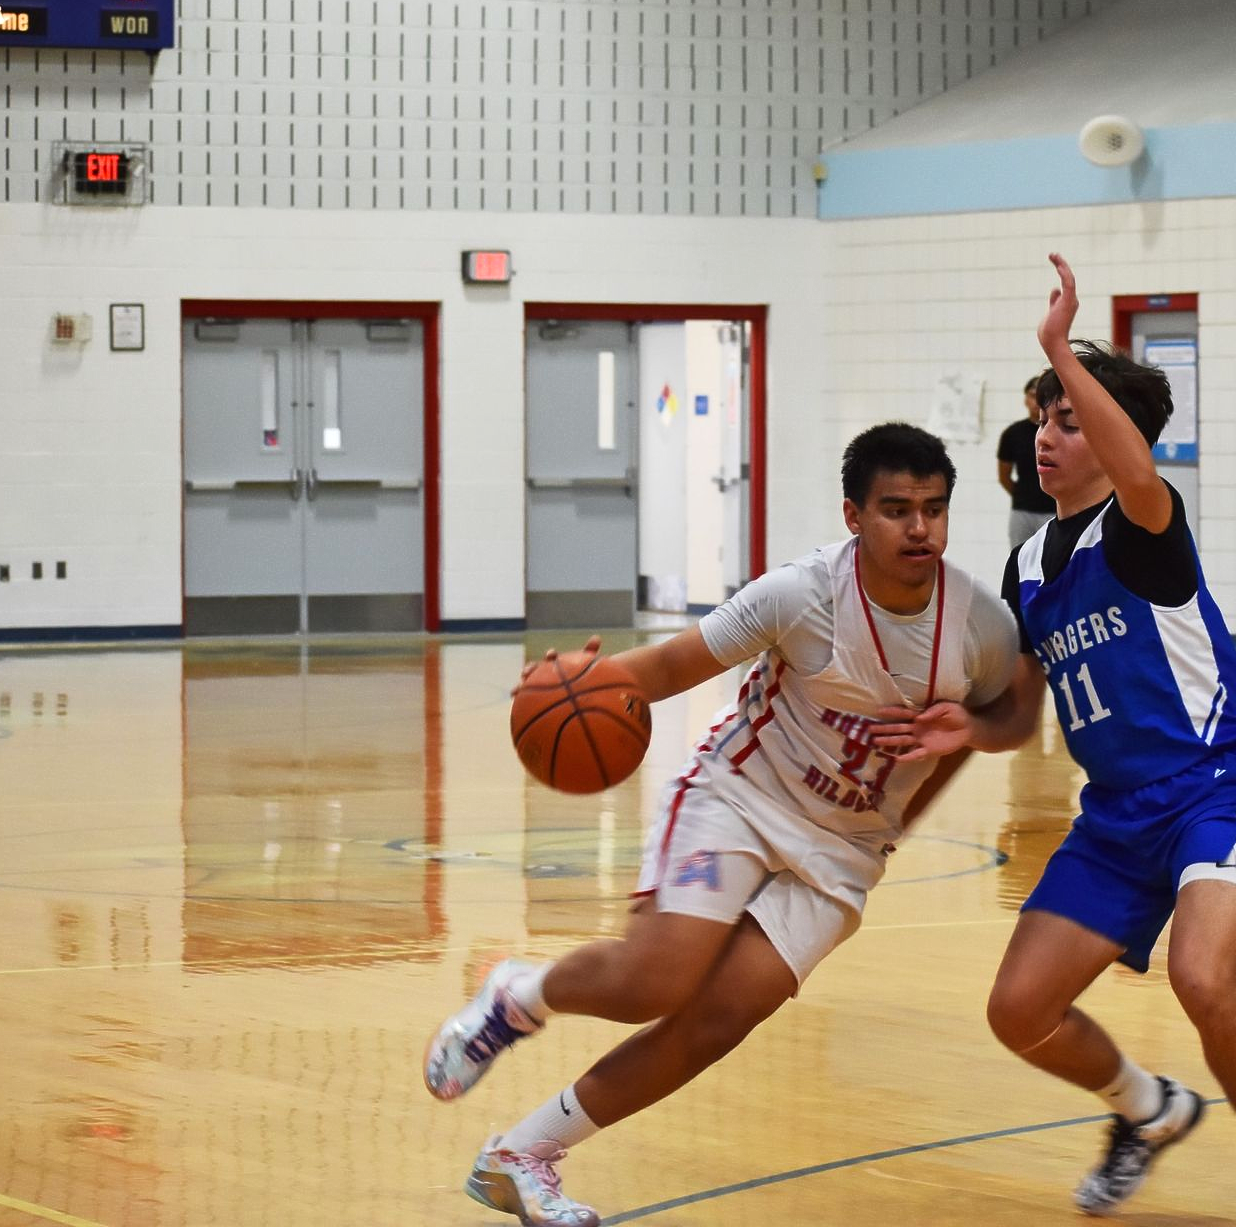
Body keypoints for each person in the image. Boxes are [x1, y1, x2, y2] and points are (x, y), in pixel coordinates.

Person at [421, 423, 1023, 1227]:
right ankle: (517, 997)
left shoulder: (978, 622)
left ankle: (521, 1157)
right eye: (896, 509)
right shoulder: (800, 595)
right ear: (853, 515)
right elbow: (672, 667)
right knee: (656, 980)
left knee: (717, 1021)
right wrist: (573, 686)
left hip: (844, 848)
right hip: (742, 796)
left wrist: (974, 735)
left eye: (935, 509)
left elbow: (1014, 712)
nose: (920, 529)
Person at [878, 254, 1236, 1226]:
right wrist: (968, 727)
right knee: (1016, 1010)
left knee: (1205, 975)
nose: (1048, 433)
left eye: (1067, 416)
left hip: (1214, 791)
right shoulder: (1028, 561)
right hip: (1114, 817)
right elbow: (1024, 713)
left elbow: (1138, 463)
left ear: (1112, 434)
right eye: (1043, 416)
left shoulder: (1144, 520)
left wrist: (1060, 349)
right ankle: (1147, 1108)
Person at [999, 375, 1058, 546]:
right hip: (1022, 511)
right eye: (1033, 395)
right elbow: (1004, 476)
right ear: (1025, 399)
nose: (1036, 401)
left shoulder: (1060, 430)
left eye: (1042, 395)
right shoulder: (1012, 433)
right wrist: (1023, 495)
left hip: (1053, 509)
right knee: (1019, 561)